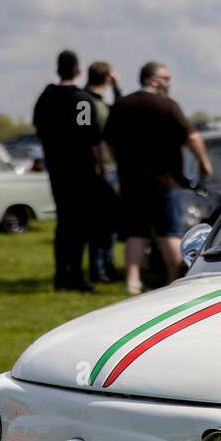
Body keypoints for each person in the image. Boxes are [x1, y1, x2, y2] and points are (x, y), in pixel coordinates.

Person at [104, 61, 212, 294]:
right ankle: (173, 280)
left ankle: (132, 281)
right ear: (153, 80)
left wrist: (121, 162)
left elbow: (110, 142)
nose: (169, 83)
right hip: (167, 181)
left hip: (133, 181)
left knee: (136, 233)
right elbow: (192, 137)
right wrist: (204, 161)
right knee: (169, 233)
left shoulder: (122, 105)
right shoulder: (168, 106)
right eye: (166, 78)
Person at [32, 49, 101, 292]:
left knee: (64, 222)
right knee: (80, 224)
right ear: (78, 71)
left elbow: (39, 129)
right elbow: (89, 136)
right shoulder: (81, 100)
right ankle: (75, 275)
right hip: (80, 170)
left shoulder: (46, 98)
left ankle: (62, 273)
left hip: (57, 169)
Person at [84, 60, 121, 284]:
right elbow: (90, 137)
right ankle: (99, 268)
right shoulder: (88, 103)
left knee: (110, 222)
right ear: (107, 78)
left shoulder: (98, 103)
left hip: (107, 167)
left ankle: (106, 265)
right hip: (101, 168)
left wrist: (117, 91)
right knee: (101, 224)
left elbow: (118, 115)